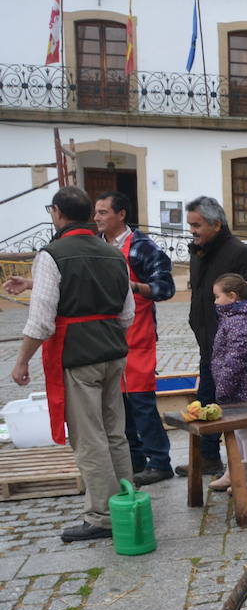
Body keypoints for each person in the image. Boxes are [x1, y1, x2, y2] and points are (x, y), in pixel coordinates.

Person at [4, 187, 134, 542]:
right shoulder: (112, 253)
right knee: (114, 434)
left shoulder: (52, 254)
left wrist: (21, 361)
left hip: (78, 356)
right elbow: (127, 314)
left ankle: (103, 516)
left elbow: (41, 320)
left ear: (58, 213)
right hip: (113, 352)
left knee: (89, 438)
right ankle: (127, 500)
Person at [94, 191, 176, 486]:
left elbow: (165, 288)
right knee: (119, 403)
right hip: (108, 337)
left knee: (142, 401)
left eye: (103, 212)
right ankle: (134, 460)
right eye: (96, 213)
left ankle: (160, 461)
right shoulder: (96, 246)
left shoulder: (141, 247)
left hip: (138, 335)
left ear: (121, 214)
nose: (98, 218)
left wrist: (135, 287)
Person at [182, 197, 247, 478]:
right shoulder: (198, 251)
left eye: (197, 224)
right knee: (206, 398)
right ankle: (209, 457)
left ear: (216, 224)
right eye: (190, 224)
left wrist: (232, 331)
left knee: (226, 403)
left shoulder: (240, 253)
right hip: (208, 340)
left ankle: (236, 466)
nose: (192, 230)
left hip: (231, 343)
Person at [208, 275, 247, 493]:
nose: (215, 302)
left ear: (232, 297)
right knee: (236, 432)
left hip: (243, 388)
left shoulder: (240, 321)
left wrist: (224, 386)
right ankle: (234, 471)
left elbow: (236, 358)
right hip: (238, 387)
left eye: (217, 297)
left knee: (245, 432)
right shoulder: (233, 318)